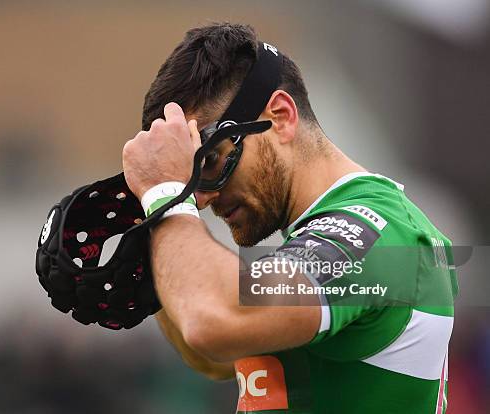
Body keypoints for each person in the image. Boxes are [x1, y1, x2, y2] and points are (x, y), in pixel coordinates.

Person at [122, 22, 457, 413]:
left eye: (209, 161)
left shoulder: (372, 235)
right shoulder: (338, 234)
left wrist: (165, 198)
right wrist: (152, 244)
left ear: (280, 116)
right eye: (188, 176)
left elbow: (214, 323)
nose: (201, 197)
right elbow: (215, 357)